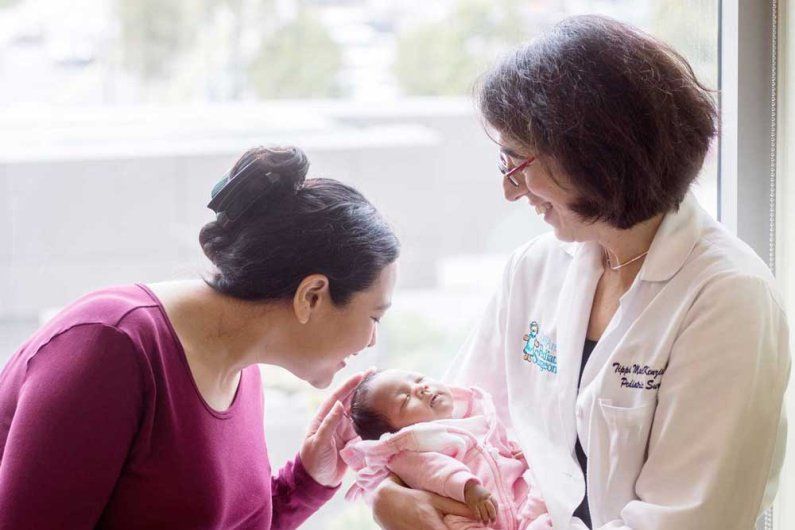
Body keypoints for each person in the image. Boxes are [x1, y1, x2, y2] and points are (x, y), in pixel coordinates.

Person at [371, 15, 790, 530]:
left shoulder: (727, 298)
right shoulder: (535, 268)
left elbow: (685, 519)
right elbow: (457, 423)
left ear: (595, 157)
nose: (509, 190)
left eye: (516, 162)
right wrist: (387, 495)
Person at [0, 145, 400, 529]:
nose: (370, 342)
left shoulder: (240, 368)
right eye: (374, 316)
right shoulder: (109, 346)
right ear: (311, 295)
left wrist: (310, 480)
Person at [341, 369, 552, 529]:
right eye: (405, 399)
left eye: (419, 379)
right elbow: (435, 470)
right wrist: (467, 487)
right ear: (396, 433)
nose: (420, 389)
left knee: (545, 495)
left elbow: (498, 444)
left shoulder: (472, 418)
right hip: (475, 514)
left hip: (517, 499)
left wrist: (519, 452)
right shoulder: (413, 449)